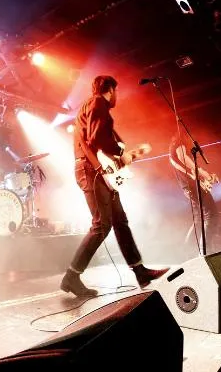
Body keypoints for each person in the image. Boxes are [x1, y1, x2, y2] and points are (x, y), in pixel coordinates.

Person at [60, 75, 168, 297]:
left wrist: (123, 156)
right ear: (110, 89)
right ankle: (71, 277)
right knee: (101, 225)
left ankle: (140, 272)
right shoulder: (98, 102)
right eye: (116, 91)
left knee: (120, 220)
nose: (117, 96)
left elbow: (94, 141)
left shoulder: (88, 107)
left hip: (94, 169)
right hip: (91, 171)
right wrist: (121, 154)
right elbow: (96, 137)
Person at [169, 131, 219, 252]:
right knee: (211, 214)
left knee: (199, 219)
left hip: (189, 187)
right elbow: (183, 158)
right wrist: (205, 175)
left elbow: (187, 169)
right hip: (192, 187)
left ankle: (188, 250)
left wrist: (205, 178)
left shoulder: (172, 149)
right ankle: (205, 250)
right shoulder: (179, 144)